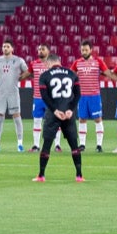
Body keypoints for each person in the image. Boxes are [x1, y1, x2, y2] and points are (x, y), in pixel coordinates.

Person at [32, 53, 85, 183]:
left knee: (47, 144)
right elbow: (78, 94)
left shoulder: (44, 76)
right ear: (59, 62)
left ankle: (41, 175)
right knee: (74, 145)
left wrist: (55, 110)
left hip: (53, 114)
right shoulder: (72, 74)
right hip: (68, 114)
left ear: (48, 63)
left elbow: (44, 96)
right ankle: (79, 175)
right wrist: (70, 109)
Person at [0, 40, 28, 153]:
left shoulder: (19, 60)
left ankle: (20, 144)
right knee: (0, 117)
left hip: (13, 92)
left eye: (7, 46)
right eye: (3, 46)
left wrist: (20, 78)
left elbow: (27, 72)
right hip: (1, 92)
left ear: (12, 49)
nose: (5, 48)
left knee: (16, 116)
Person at [72, 42, 106, 153]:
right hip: (82, 96)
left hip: (94, 96)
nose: (84, 52)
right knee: (82, 119)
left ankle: (99, 145)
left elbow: (107, 73)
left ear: (91, 50)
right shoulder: (77, 62)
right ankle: (82, 144)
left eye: (86, 50)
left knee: (97, 119)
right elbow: (70, 74)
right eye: (82, 50)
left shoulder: (98, 61)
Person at [28, 44, 52, 151]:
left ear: (48, 51)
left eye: (43, 49)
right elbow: (27, 74)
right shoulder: (34, 64)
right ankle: (36, 145)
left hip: (50, 98)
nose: (40, 51)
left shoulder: (52, 64)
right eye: (39, 49)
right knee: (37, 121)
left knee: (53, 121)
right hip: (37, 97)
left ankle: (57, 145)